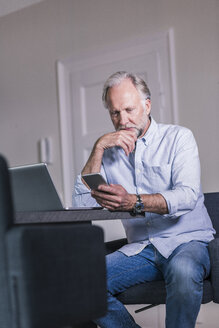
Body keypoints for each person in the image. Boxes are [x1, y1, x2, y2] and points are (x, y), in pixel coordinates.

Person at [74, 71, 215, 328]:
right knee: (82, 281)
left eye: (129, 109)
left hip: (187, 240)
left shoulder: (178, 138)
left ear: (147, 105)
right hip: (142, 249)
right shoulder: (108, 153)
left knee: (184, 271)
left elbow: (187, 196)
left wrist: (134, 201)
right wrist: (98, 147)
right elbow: (83, 205)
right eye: (115, 113)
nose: (123, 120)